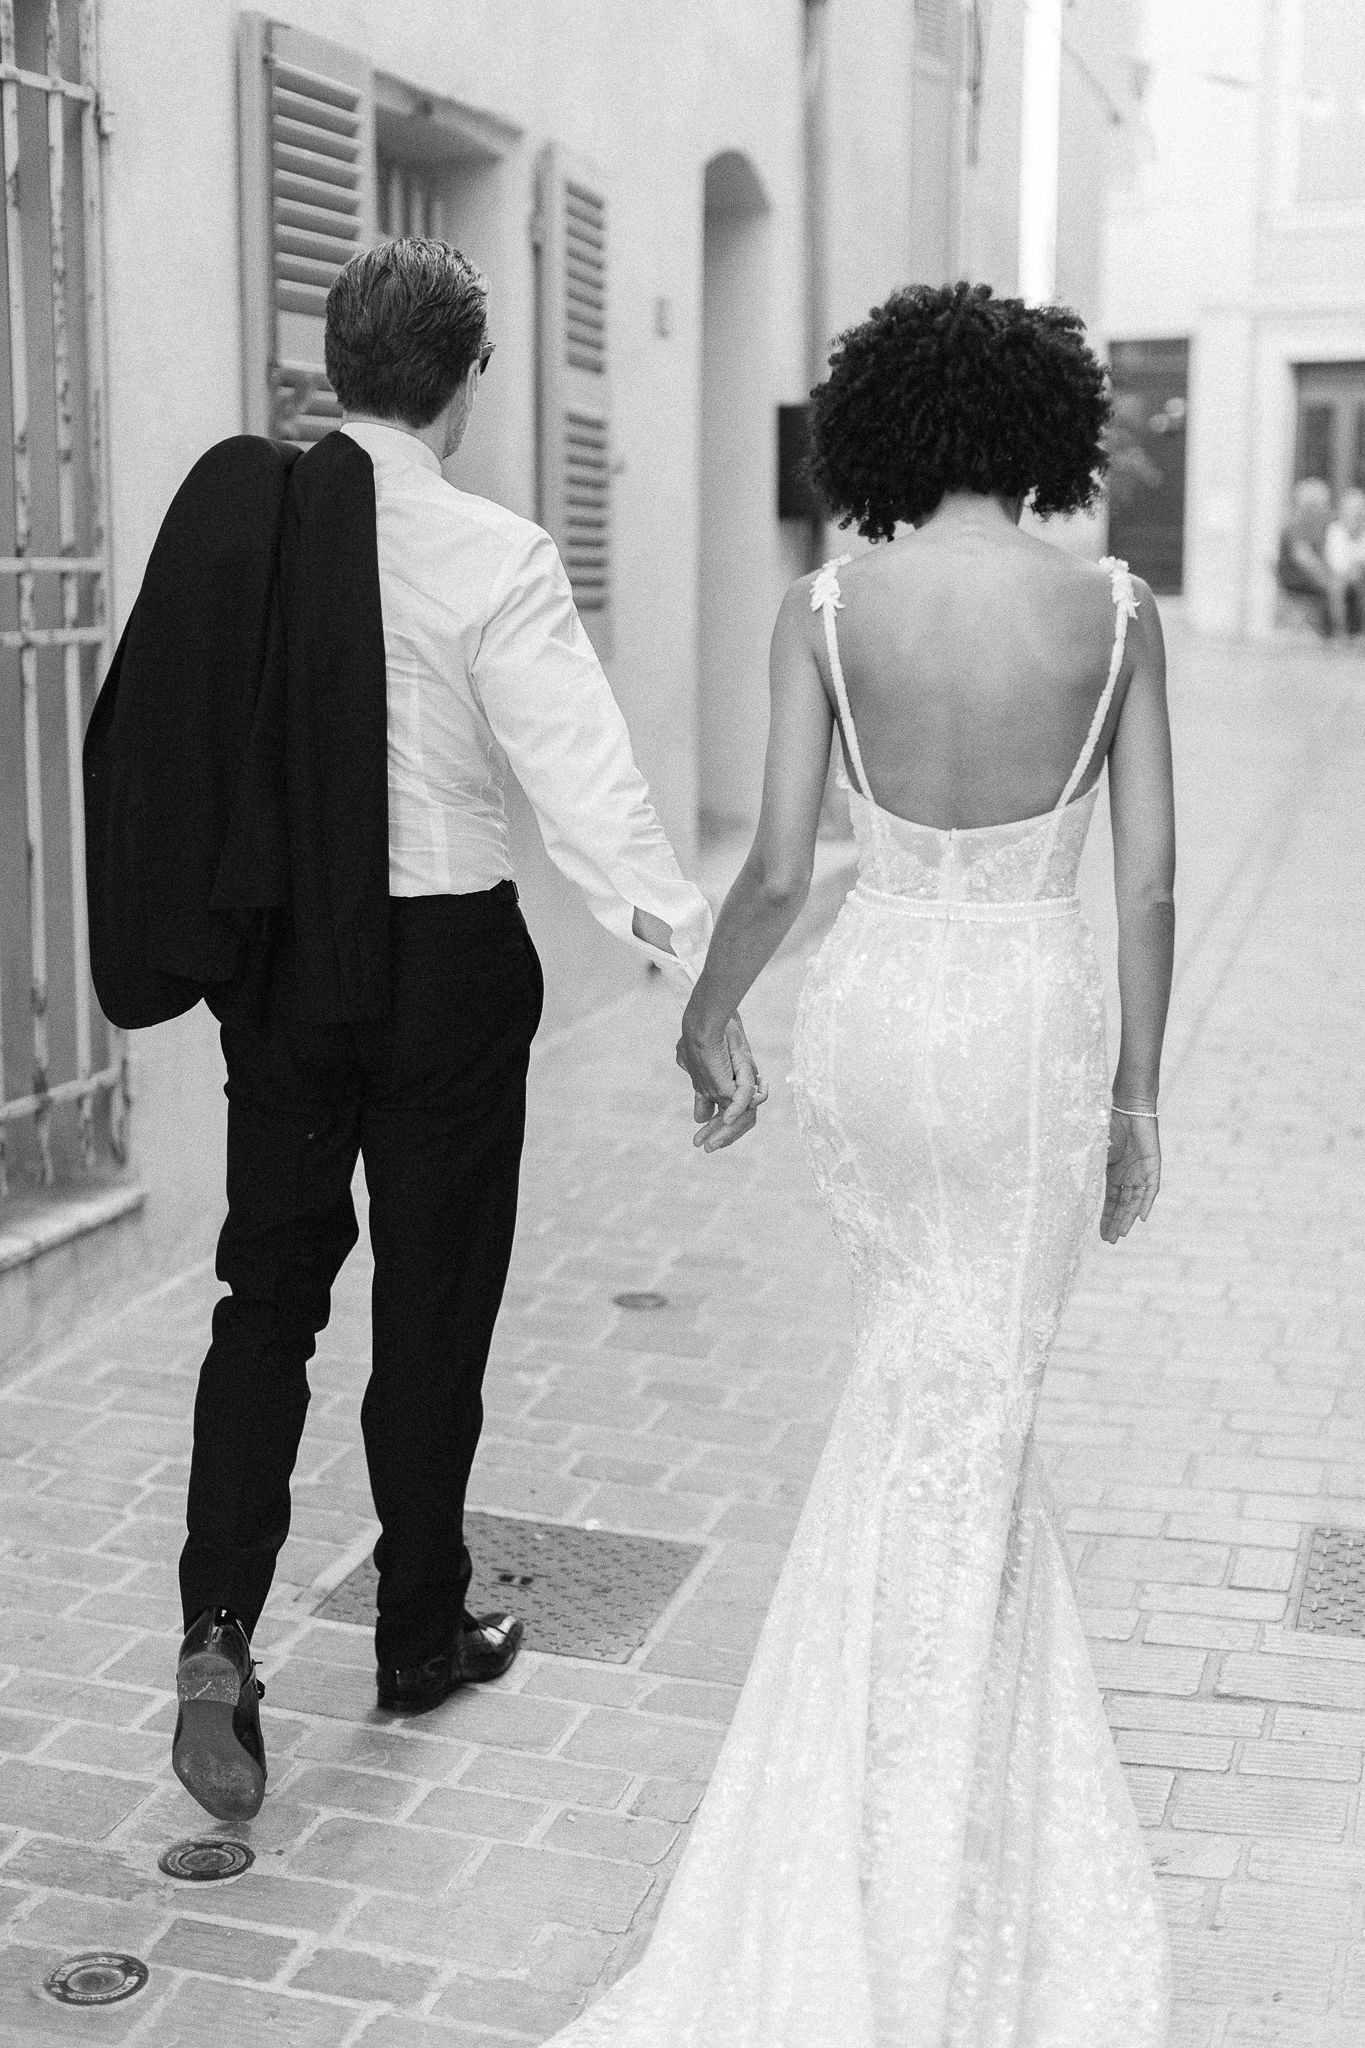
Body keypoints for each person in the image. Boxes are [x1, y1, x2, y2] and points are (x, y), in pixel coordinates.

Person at [549, 281, 1175, 2045]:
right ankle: (939, 1828)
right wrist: (1138, 1096)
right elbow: (1143, 886)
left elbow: (767, 871)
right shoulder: (1118, 615)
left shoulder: (824, 610)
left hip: (887, 1017)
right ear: (1046, 430)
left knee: (921, 1377)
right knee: (976, 1397)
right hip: (1036, 1031)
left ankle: (881, 1797)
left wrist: (707, 1016)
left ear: (887, 427)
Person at [165, 239, 762, 1822]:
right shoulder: (492, 550)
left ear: (333, 366)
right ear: (467, 384)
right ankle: (418, 1631)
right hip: (439, 976)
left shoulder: (255, 526)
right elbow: (580, 780)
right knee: (431, 1314)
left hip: (288, 974)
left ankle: (217, 1628)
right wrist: (692, 971)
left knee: (265, 1300)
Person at [1277, 476, 1348, 636]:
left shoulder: (1317, 527)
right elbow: (1304, 558)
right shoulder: (1297, 525)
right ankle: (1339, 633)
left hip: (1311, 578)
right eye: (1323, 505)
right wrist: (1327, 578)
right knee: (1337, 588)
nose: (1326, 509)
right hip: (1297, 580)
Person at [1325, 483, 1365, 634]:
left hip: (1361, 576)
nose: (1357, 513)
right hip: (1341, 576)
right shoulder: (1335, 530)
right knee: (1337, 586)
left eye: (1360, 508)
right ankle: (1339, 632)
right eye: (1353, 509)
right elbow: (1336, 562)